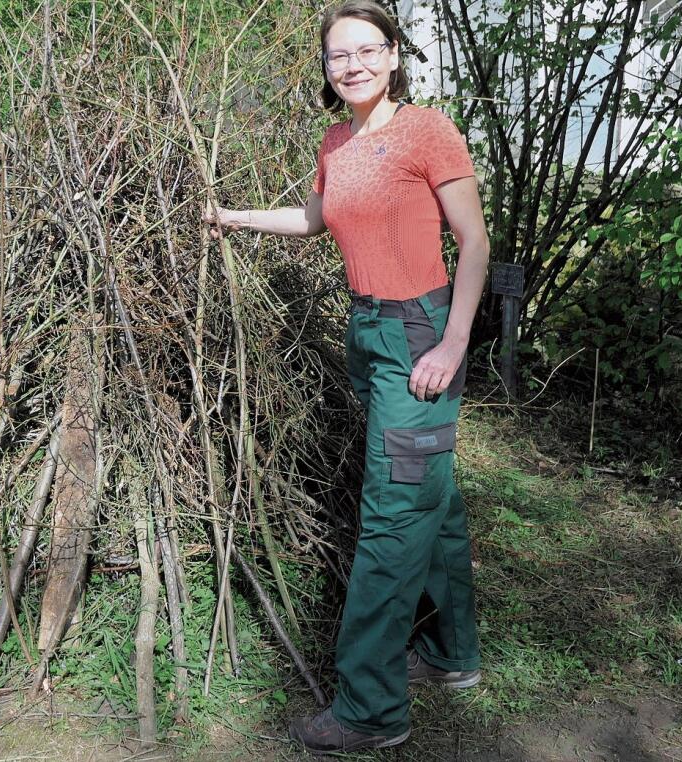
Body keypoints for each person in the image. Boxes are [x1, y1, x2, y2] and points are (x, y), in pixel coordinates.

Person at [204, 0, 489, 753]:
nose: (353, 64)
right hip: (368, 330)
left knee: (394, 513)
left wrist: (452, 344)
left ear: (394, 55)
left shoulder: (426, 129)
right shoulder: (337, 140)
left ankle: (370, 709)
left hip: (422, 329)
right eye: (339, 55)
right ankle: (452, 653)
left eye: (367, 49)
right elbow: (314, 219)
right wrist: (232, 217)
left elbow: (475, 241)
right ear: (328, 70)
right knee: (434, 495)